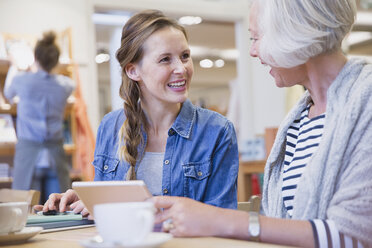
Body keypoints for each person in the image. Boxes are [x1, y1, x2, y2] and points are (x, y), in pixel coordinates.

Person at [152, 0, 372, 247]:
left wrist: (219, 220)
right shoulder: (298, 120)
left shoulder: (366, 104)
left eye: (256, 38)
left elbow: (356, 236)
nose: (252, 51)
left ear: (294, 33)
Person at [38, 10, 239, 216]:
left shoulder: (217, 131)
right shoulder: (110, 126)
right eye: (165, 59)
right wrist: (83, 200)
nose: (181, 68)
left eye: (185, 56)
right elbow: (104, 202)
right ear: (133, 71)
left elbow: (222, 218)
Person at [4, 31, 75, 203]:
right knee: (59, 208)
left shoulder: (22, 80)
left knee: (27, 210)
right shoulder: (66, 85)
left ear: (35, 57)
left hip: (29, 156)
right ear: (56, 61)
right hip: (55, 157)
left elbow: (8, 93)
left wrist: (15, 66)